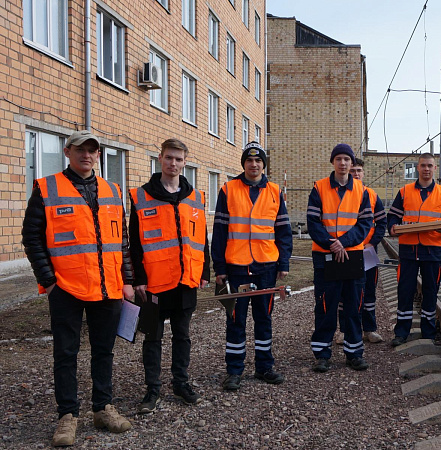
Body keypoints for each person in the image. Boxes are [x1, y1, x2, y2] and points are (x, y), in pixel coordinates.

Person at [21, 130, 133, 447]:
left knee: (104, 351)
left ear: (98, 155)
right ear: (67, 152)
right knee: (66, 354)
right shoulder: (47, 188)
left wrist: (126, 280)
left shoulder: (112, 190)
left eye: (92, 150)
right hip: (66, 289)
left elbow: (122, 242)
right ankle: (68, 415)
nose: (87, 155)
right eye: (80, 149)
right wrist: (49, 282)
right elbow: (31, 238)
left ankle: (102, 408)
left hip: (107, 287)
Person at [129, 139, 209, 413]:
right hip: (153, 282)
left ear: (185, 162)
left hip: (186, 281)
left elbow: (202, 239)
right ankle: (152, 389)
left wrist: (204, 271)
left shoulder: (195, 197)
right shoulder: (142, 196)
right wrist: (138, 279)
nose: (173, 163)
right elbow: (135, 243)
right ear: (160, 158)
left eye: (178, 159)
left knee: (182, 336)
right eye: (169, 157)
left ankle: (181, 383)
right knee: (152, 338)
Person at [212, 141, 292, 390]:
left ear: (263, 165)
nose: (254, 164)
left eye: (258, 161)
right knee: (235, 319)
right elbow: (219, 231)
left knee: (264, 318)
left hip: (266, 265)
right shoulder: (228, 189)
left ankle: (264, 367)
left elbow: (283, 231)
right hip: (236, 266)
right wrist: (219, 268)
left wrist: (284, 262)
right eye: (249, 160)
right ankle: (234, 370)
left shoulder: (275, 191)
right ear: (243, 163)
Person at [307, 144, 372, 372]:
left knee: (353, 306)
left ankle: (354, 353)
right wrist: (332, 244)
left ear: (352, 163)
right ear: (332, 162)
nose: (343, 163)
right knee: (325, 306)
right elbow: (313, 223)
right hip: (325, 256)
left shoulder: (362, 191)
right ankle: (322, 355)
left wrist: (343, 242)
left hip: (352, 255)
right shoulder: (319, 188)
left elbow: (365, 224)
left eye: (346, 159)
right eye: (339, 159)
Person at [387, 153, 441, 347]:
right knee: (405, 291)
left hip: (432, 250)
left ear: (435, 168)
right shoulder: (405, 192)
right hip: (408, 250)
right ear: (417, 168)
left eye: (430, 166)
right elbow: (393, 216)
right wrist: (392, 227)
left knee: (430, 291)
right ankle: (401, 332)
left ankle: (428, 332)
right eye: (423, 165)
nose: (426, 169)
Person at [335, 158, 387, 344]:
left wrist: (372, 243)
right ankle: (344, 331)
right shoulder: (341, 194)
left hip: (367, 251)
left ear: (363, 173)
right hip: (346, 251)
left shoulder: (371, 195)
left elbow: (381, 223)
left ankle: (369, 329)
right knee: (344, 292)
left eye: (359, 171)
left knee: (369, 290)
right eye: (353, 171)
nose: (356, 174)